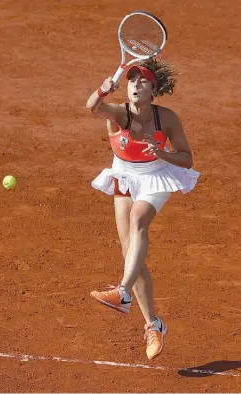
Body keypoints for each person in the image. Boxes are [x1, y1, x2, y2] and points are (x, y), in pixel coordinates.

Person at [86, 57, 200, 360]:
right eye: (132, 79)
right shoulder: (117, 113)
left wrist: (161, 152)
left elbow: (186, 158)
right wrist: (102, 89)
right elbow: (93, 107)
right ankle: (153, 325)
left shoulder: (167, 119)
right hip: (124, 175)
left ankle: (122, 293)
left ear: (153, 89)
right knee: (130, 255)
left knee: (138, 220)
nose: (136, 84)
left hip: (155, 175)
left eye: (143, 80)